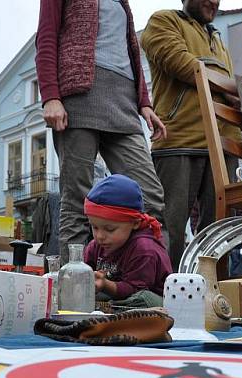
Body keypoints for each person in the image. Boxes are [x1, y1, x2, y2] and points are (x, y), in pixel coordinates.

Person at [36, 0, 167, 263]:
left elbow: (130, 51)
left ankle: (143, 278)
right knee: (77, 200)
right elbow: (46, 37)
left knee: (150, 197)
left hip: (124, 102)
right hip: (79, 97)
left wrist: (144, 102)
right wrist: (50, 95)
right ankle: (77, 289)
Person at [141, 0, 241, 271]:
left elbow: (227, 89)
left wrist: (239, 97)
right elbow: (183, 64)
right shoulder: (163, 21)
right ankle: (163, 291)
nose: (214, 2)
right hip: (179, 140)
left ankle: (210, 294)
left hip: (223, 146)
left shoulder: (218, 41)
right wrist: (234, 89)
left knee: (218, 231)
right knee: (169, 226)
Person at [83, 173, 172, 308]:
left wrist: (105, 284)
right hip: (115, 296)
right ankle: (109, 309)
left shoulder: (144, 249)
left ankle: (110, 309)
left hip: (151, 299)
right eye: (95, 227)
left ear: (135, 223)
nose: (100, 236)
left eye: (110, 229)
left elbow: (134, 289)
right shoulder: (95, 246)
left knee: (142, 299)